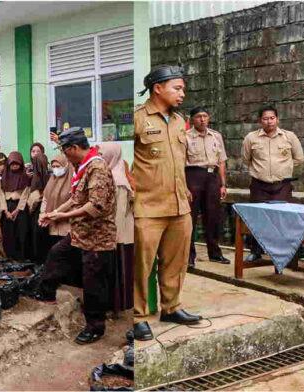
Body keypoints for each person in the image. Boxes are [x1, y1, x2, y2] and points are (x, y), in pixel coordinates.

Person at [133, 65, 202, 342]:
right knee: (141, 265)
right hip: (147, 207)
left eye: (183, 88)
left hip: (179, 205)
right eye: (177, 87)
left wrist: (184, 192)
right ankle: (137, 316)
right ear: (158, 88)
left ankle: (171, 307)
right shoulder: (137, 118)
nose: (182, 93)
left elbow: (179, 162)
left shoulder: (178, 121)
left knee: (176, 262)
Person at [37, 127, 117, 344]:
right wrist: (55, 214)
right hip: (80, 232)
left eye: (64, 150)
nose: (63, 154)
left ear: (73, 148)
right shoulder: (81, 167)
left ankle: (95, 327)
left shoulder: (97, 167)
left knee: (93, 284)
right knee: (56, 254)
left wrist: (64, 215)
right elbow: (76, 198)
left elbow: (95, 206)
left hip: (97, 237)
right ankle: (46, 294)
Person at [241, 106, 304, 263]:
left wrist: (282, 169)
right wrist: (261, 171)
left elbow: (299, 158)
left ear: (277, 119)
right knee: (257, 219)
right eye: (265, 118)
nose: (269, 121)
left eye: (272, 118)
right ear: (260, 121)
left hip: (282, 186)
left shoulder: (289, 137)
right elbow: (246, 159)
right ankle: (256, 251)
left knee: (283, 220)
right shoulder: (251, 138)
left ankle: (285, 256)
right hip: (259, 185)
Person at [186, 106, 230, 266]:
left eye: (205, 116)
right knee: (189, 218)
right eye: (198, 116)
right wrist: (184, 186)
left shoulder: (216, 136)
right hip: (192, 176)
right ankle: (189, 256)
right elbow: (178, 162)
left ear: (209, 118)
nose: (202, 119)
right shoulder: (185, 137)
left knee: (213, 216)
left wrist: (223, 184)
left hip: (212, 177)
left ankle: (215, 253)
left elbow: (222, 161)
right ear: (192, 119)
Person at [99, 142, 134, 313]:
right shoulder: (110, 174)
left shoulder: (118, 179)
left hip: (118, 235)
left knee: (119, 270)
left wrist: (110, 235)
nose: (99, 158)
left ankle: (117, 306)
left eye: (102, 154)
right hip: (112, 233)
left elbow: (119, 212)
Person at [0, 151, 31, 261]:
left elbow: (25, 194)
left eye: (17, 164)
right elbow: (0, 195)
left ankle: (21, 258)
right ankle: (9, 257)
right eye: (12, 164)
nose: (14, 166)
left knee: (21, 233)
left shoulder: (25, 177)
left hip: (20, 209)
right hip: (7, 207)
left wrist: (18, 209)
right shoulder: (4, 177)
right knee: (8, 234)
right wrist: (5, 210)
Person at [39, 155, 73, 244]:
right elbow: (45, 198)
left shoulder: (72, 181)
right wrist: (42, 213)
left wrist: (55, 212)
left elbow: (72, 201)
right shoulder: (51, 180)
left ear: (66, 166)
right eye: (53, 167)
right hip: (51, 225)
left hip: (67, 225)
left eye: (58, 166)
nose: (55, 169)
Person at [27, 153, 51, 264]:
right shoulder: (50, 176)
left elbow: (34, 199)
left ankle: (38, 261)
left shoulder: (35, 178)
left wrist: (31, 208)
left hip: (36, 211)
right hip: (47, 211)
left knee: (36, 237)